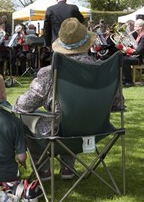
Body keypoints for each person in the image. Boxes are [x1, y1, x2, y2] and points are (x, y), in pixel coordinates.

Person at [13, 17, 99, 181]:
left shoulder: (49, 73)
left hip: (59, 132)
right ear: (86, 44)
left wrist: (16, 103)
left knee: (26, 118)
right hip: (95, 129)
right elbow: (117, 103)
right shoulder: (101, 68)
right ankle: (67, 167)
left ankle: (43, 169)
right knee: (71, 117)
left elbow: (24, 106)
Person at [119, 19, 144, 87]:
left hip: (142, 59)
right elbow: (134, 46)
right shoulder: (139, 35)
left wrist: (126, 50)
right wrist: (123, 40)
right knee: (120, 56)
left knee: (124, 60)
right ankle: (122, 79)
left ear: (140, 27)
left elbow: (138, 51)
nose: (134, 28)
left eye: (135, 26)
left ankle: (128, 81)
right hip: (137, 56)